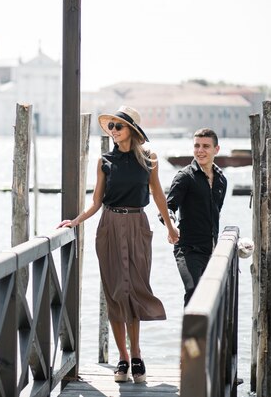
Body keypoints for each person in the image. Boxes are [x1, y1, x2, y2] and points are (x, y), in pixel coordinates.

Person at [57, 106, 179, 384]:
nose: (112, 131)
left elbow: (158, 194)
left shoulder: (149, 159)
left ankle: (137, 354)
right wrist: (75, 221)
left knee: (134, 290)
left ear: (132, 131)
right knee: (114, 292)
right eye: (111, 126)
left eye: (118, 126)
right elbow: (96, 201)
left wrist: (170, 228)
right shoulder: (104, 161)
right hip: (109, 226)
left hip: (138, 225)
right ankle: (123, 358)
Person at [164, 128, 227, 306]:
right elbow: (168, 208)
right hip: (187, 249)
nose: (200, 150)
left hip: (211, 251)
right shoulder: (184, 177)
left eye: (206, 146)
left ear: (216, 150)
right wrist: (171, 226)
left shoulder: (222, 180)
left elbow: (216, 214)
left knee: (212, 299)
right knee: (193, 291)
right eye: (197, 146)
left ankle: (207, 334)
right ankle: (191, 335)